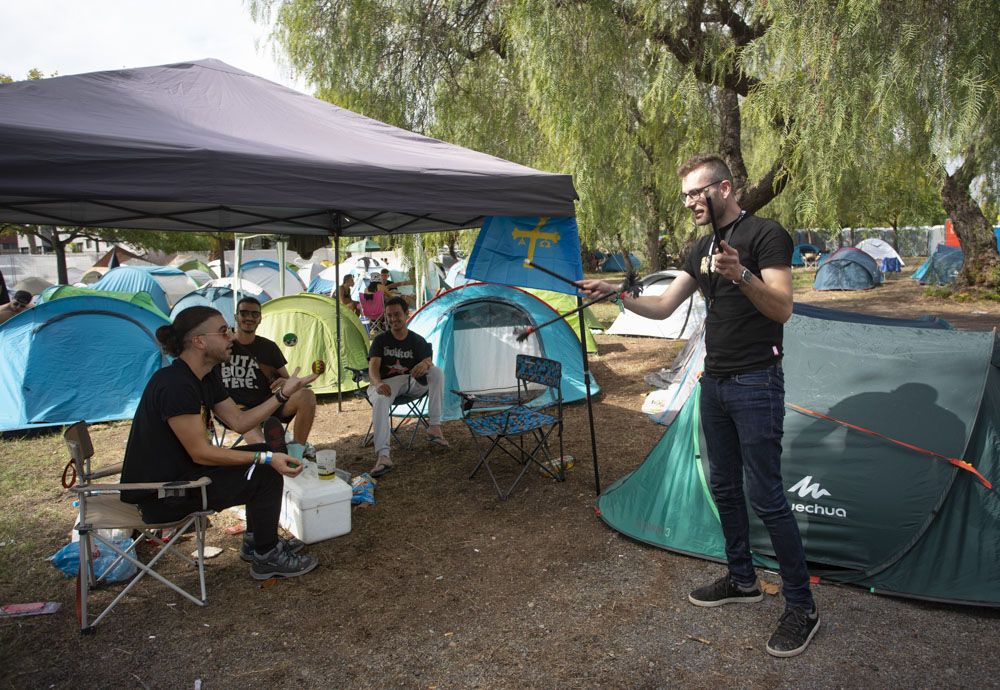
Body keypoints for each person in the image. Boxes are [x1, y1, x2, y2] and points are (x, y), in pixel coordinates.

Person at [579, 154, 818, 658]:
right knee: (724, 486)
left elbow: (783, 309)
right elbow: (663, 306)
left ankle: (802, 606)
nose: (689, 202)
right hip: (715, 382)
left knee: (767, 493)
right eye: (685, 195)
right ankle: (742, 578)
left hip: (757, 381)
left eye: (696, 193)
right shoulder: (700, 246)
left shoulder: (767, 234)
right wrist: (620, 292)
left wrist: (742, 275)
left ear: (725, 188)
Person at [120, 306, 319, 579]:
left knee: (264, 451)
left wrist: (283, 394)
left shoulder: (204, 376)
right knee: (265, 468)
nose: (233, 337)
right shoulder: (176, 385)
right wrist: (266, 459)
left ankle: (257, 541)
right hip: (162, 495)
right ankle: (266, 555)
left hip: (184, 476)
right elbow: (201, 453)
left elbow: (238, 421)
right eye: (224, 331)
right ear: (199, 341)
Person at [219, 297, 317, 456]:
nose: (249, 318)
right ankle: (274, 454)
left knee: (306, 395)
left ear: (260, 319)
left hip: (267, 405)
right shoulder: (223, 346)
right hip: (237, 410)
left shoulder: (268, 347)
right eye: (244, 313)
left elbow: (287, 380)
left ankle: (298, 450)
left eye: (254, 314)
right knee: (253, 430)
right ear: (236, 316)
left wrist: (285, 382)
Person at [367, 296, 449, 477]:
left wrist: (426, 365)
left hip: (410, 381)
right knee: (380, 400)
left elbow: (429, 360)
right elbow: (372, 367)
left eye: (397, 314)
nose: (393, 319)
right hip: (386, 384)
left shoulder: (417, 340)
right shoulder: (381, 340)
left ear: (406, 314)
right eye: (389, 316)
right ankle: (383, 456)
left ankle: (434, 426)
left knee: (436, 372)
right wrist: (378, 383)